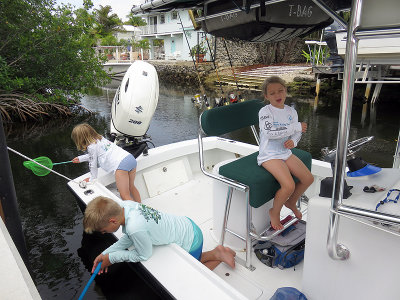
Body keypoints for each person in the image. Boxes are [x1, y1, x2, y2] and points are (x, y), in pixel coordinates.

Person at [84, 196, 236, 274]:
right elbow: (129, 238)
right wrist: (106, 253)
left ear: (112, 221)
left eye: (104, 230)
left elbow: (144, 255)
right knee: (192, 261)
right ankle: (216, 253)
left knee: (191, 272)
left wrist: (112, 258)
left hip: (191, 242)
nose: (104, 233)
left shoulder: (135, 227)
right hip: (188, 226)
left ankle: (218, 255)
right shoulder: (126, 206)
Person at [257, 76, 314, 230]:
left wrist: (294, 141)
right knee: (288, 185)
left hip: (284, 152)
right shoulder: (265, 111)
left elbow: (298, 132)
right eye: (272, 93)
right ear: (266, 96)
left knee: (308, 178)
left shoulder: (291, 111)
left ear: (286, 91)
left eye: (280, 91)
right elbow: (269, 132)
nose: (277, 95)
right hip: (269, 154)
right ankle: (274, 212)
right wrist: (294, 128)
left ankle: (291, 202)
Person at [71, 123, 141, 203]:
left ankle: (137, 213)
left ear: (80, 139)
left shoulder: (91, 147)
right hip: (130, 159)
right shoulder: (100, 139)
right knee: (131, 187)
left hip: (121, 165)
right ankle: (141, 206)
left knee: (124, 195)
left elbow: (93, 165)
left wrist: (92, 179)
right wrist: (80, 158)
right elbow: (94, 155)